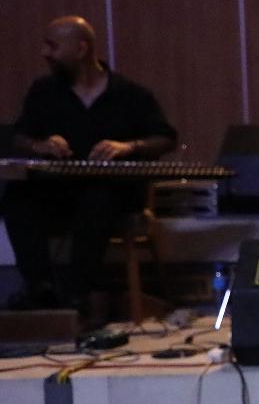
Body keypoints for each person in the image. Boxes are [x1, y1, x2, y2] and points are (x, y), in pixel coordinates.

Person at [5, 16, 177, 314]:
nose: (45, 53)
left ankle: (78, 293)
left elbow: (165, 138)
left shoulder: (129, 94)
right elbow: (18, 136)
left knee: (98, 199)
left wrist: (129, 146)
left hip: (115, 192)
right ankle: (40, 288)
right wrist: (41, 146)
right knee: (17, 198)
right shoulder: (44, 92)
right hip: (60, 190)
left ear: (81, 48)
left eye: (52, 46)